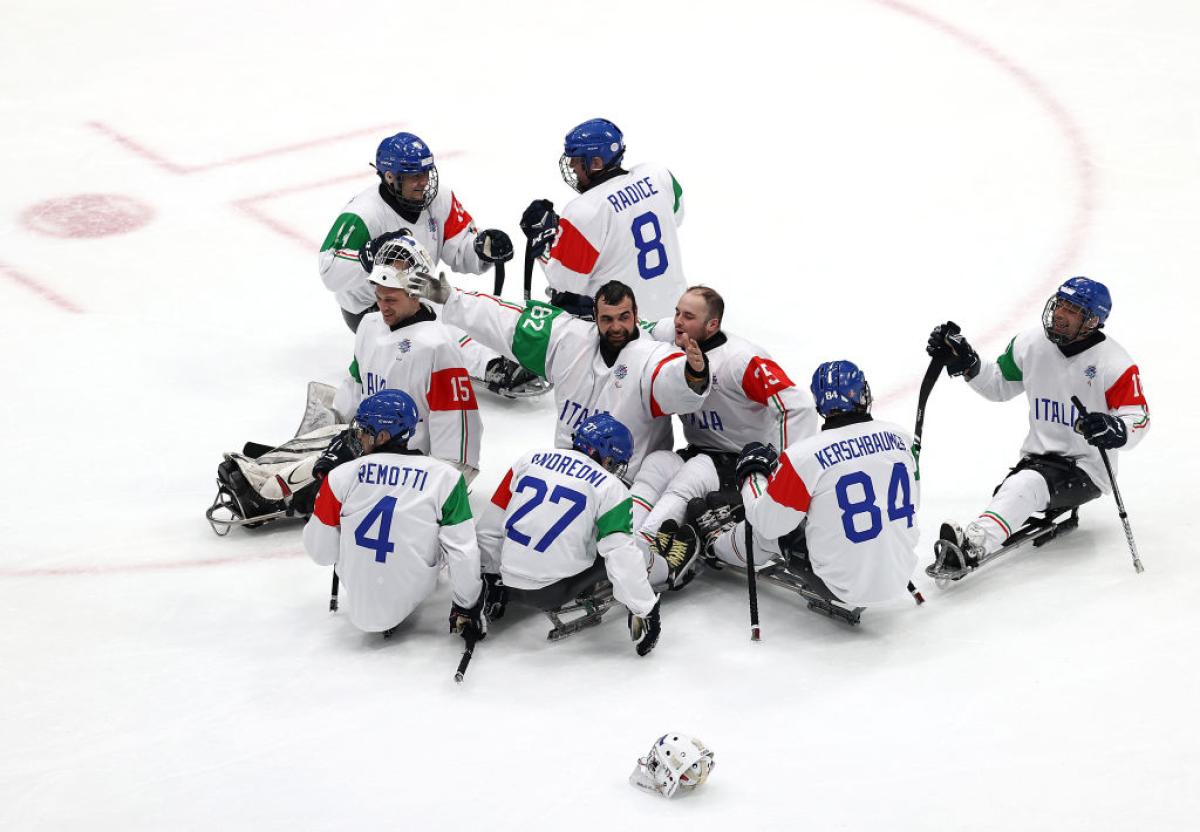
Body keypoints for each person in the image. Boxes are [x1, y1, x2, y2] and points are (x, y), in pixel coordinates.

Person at [206, 236, 484, 534]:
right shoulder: (370, 326)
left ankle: (267, 495)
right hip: (368, 442)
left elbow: (460, 439)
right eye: (378, 297)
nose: (383, 307)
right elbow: (354, 390)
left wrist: (439, 490)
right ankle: (267, 472)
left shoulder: (438, 346)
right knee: (335, 439)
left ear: (416, 294)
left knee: (339, 454)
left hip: (409, 464)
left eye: (391, 300)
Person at [925, 276, 1150, 571]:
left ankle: (971, 547)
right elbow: (999, 385)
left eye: (1072, 310)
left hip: (1087, 470)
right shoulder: (1030, 343)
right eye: (1061, 305)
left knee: (1024, 486)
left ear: (1092, 320)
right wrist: (969, 363)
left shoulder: (1114, 363)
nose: (1060, 314)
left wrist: (1116, 429)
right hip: (1038, 461)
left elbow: (1138, 417)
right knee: (1017, 488)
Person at [403, 275, 711, 481]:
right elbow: (506, 320)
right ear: (594, 317)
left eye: (624, 317)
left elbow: (673, 381)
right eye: (607, 319)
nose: (616, 327)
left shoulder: (652, 356)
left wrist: (693, 374)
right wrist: (453, 299)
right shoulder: (568, 340)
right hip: (567, 473)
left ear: (636, 314)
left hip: (626, 485)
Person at [317, 131, 534, 395]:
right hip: (372, 306)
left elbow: (460, 246)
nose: (424, 182)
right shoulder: (364, 213)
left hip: (419, 287)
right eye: (414, 176)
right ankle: (492, 366)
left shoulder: (441, 198)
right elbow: (329, 269)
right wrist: (366, 257)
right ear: (390, 177)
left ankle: (506, 349)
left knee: (462, 303)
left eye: (426, 173)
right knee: (436, 323)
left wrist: (481, 249)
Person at [698, 360, 921, 609]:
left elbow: (767, 524)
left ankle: (716, 545)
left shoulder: (804, 456)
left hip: (841, 586)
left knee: (765, 529)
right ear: (862, 393)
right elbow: (914, 502)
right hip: (901, 573)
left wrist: (753, 476)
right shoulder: (901, 437)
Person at [631, 286, 818, 563]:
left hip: (740, 464)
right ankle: (623, 538)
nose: (678, 321)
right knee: (657, 463)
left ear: (712, 325)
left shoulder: (740, 360)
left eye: (688, 316)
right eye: (677, 313)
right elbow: (635, 325)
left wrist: (783, 475)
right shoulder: (674, 333)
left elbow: (797, 406)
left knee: (691, 477)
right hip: (699, 452)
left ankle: (644, 552)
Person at [475, 413, 667, 654]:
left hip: (506, 581)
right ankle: (668, 568)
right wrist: (645, 608)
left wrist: (486, 577)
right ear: (608, 458)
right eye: (615, 463)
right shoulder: (610, 487)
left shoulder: (529, 459)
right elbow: (622, 556)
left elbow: (488, 528)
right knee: (630, 547)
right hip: (551, 592)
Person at [302, 389, 485, 640]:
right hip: (417, 588)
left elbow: (321, 553)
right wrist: (467, 606)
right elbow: (463, 553)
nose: (358, 436)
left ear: (383, 436)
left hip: (358, 596)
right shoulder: (446, 478)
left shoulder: (340, 476)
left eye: (363, 430)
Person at [518, 119, 686, 320]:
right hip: (678, 319)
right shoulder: (659, 174)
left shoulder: (583, 211)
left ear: (596, 163)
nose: (571, 165)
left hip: (624, 328)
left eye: (576, 160)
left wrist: (544, 239)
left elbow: (563, 284)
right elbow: (676, 218)